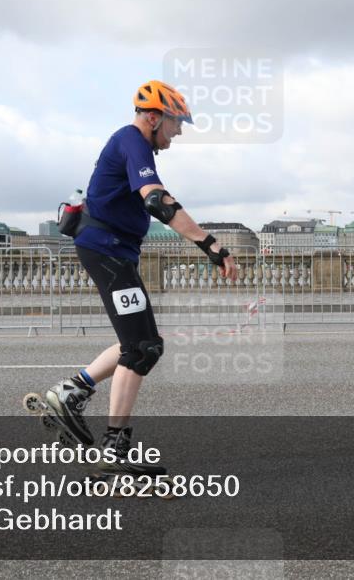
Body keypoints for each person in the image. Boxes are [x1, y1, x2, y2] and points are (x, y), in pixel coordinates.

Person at [43, 80, 238, 465]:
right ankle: (113, 450)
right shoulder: (132, 140)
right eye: (176, 122)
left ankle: (70, 392)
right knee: (143, 348)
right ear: (153, 117)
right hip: (106, 251)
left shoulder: (134, 144)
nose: (179, 131)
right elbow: (157, 201)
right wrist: (211, 245)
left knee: (141, 340)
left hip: (112, 252)